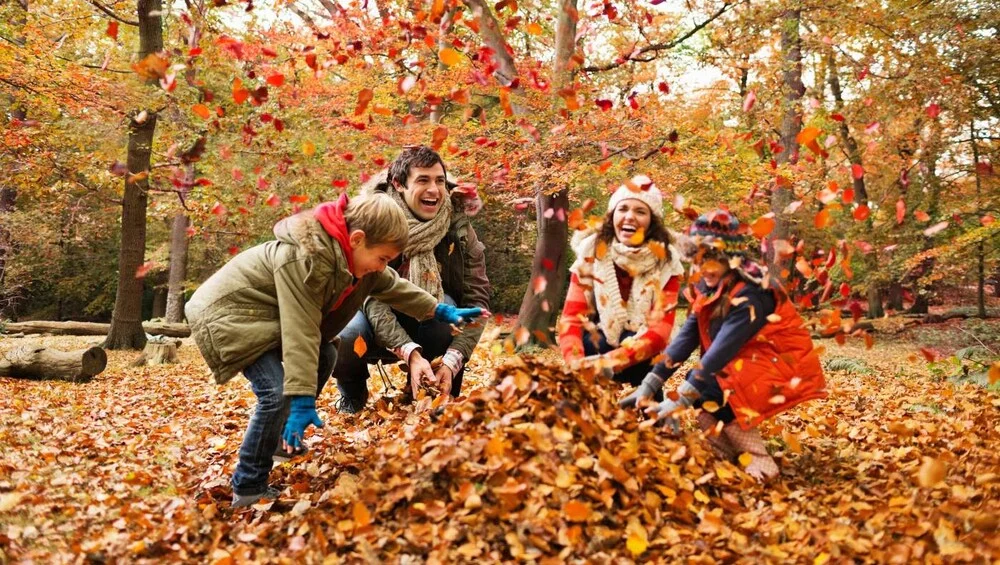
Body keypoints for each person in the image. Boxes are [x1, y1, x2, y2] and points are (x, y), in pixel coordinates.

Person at [185, 191, 482, 508]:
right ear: (357, 239)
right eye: (382, 258)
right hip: (229, 316)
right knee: (276, 393)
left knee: (326, 354)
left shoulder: (359, 263)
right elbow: (301, 332)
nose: (383, 266)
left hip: (264, 317)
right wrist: (301, 400)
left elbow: (396, 288)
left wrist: (440, 311)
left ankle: (281, 439)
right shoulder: (305, 260)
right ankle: (249, 486)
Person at [620, 209, 827, 480]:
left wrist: (678, 400)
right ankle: (730, 457)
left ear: (731, 258)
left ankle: (762, 464)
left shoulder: (752, 292)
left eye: (712, 258)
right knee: (704, 396)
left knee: (712, 386)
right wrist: (649, 385)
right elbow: (686, 338)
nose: (704, 267)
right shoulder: (710, 287)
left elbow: (719, 353)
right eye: (698, 259)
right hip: (750, 363)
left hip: (781, 364)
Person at [329, 146, 490, 413]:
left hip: (433, 319)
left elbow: (477, 301)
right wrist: (410, 353)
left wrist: (451, 362)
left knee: (447, 312)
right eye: (423, 180)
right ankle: (353, 394)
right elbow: (372, 297)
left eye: (440, 181)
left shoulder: (459, 228)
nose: (434, 190)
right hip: (371, 315)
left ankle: (434, 388)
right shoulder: (372, 222)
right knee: (344, 334)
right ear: (398, 184)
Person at [557, 175, 685, 387]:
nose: (629, 217)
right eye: (623, 209)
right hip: (599, 345)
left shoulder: (667, 262)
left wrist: (611, 362)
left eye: (640, 211)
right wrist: (575, 362)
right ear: (612, 215)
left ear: (652, 222)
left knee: (660, 351)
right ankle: (594, 396)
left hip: (649, 352)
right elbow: (571, 318)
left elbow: (661, 331)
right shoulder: (591, 253)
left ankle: (647, 397)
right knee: (594, 342)